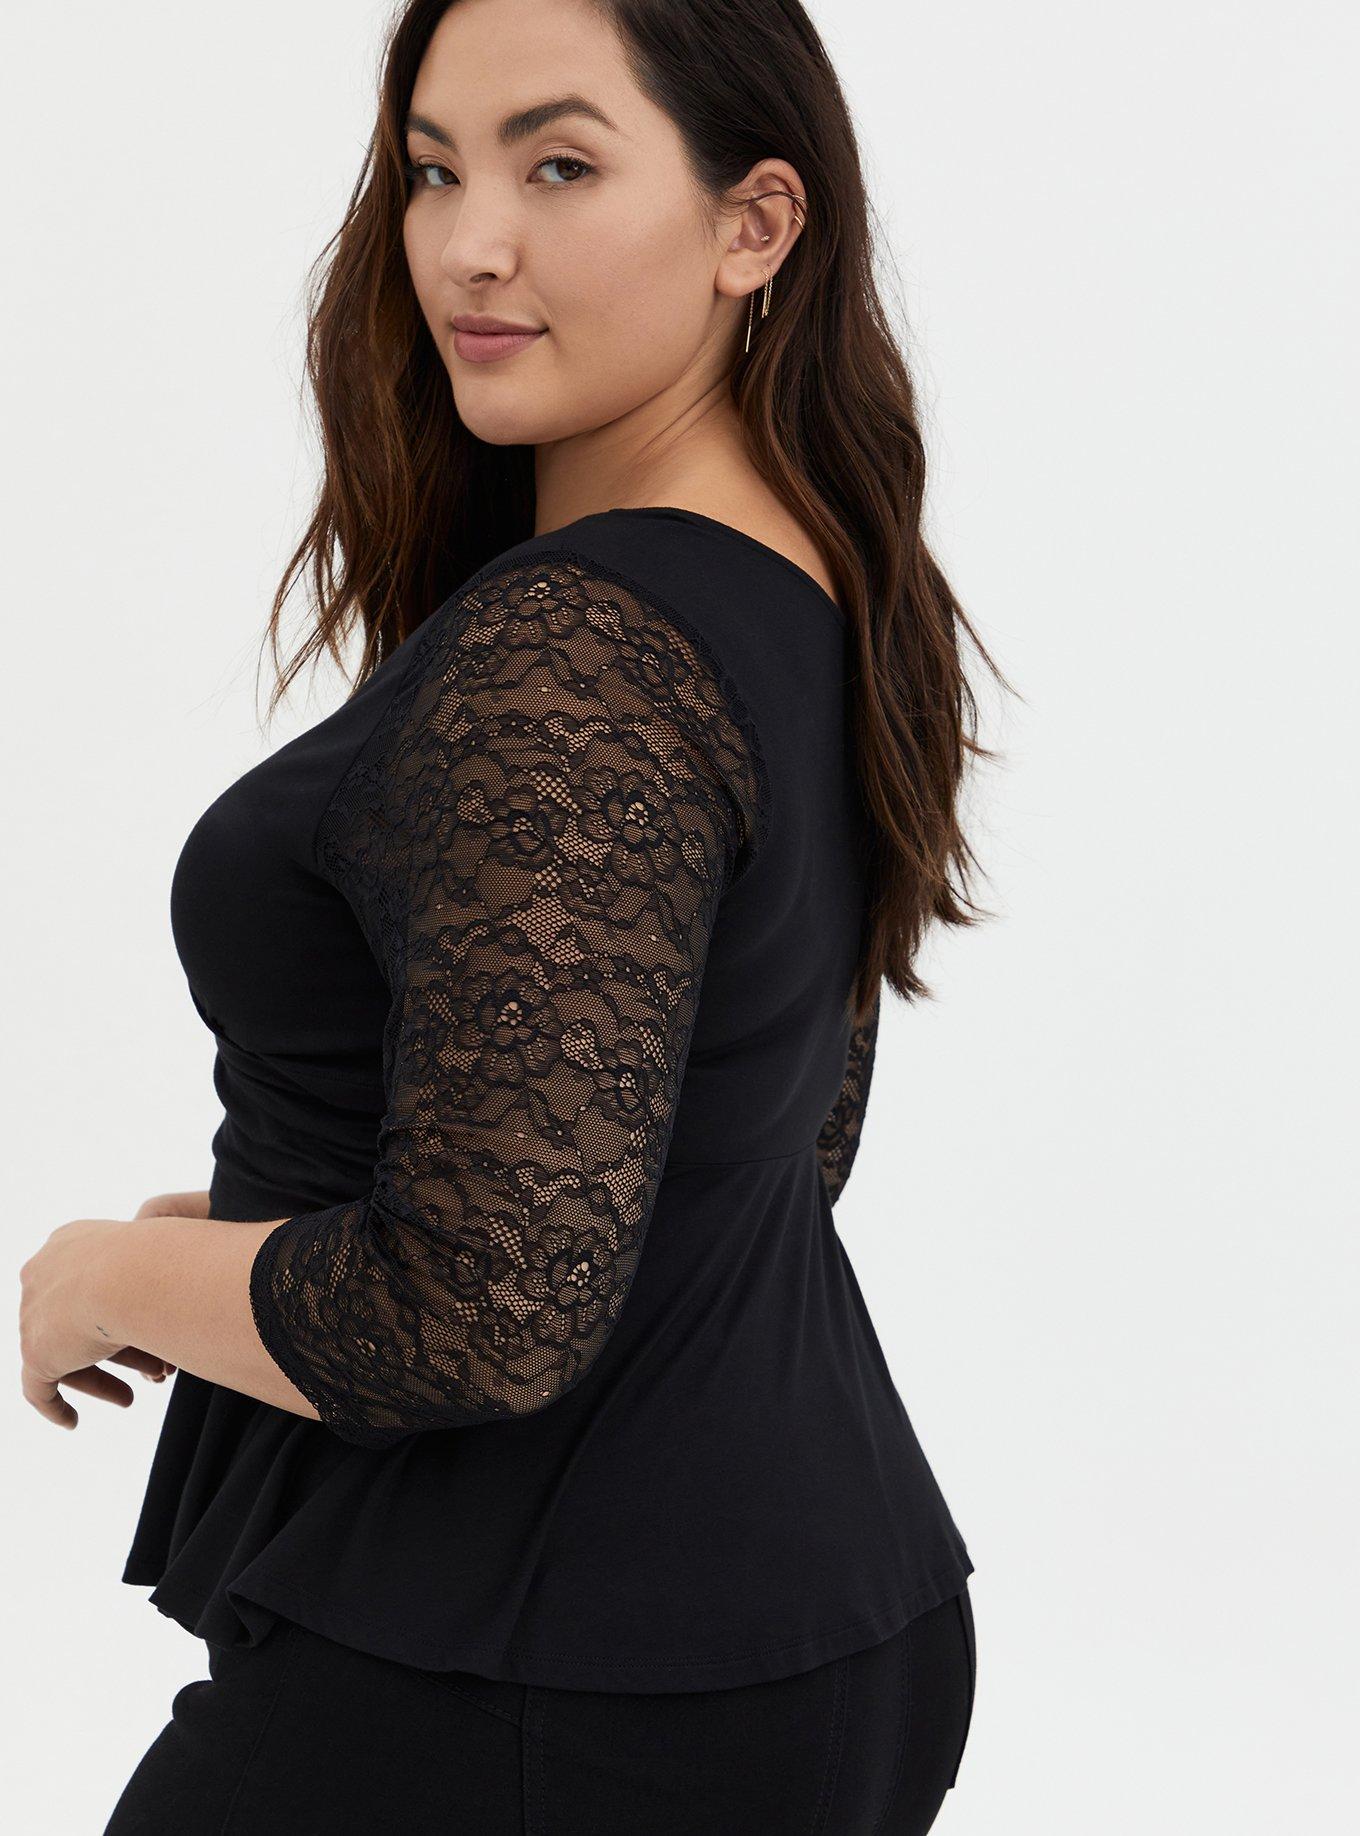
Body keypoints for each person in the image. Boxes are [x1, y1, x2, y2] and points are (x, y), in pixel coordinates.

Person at [19, 2, 1008, 1829]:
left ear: (754, 224)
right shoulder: (816, 593)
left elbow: (484, 1306)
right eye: (432, 170)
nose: (470, 244)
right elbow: (750, 1145)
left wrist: (103, 1275)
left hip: (538, 1683)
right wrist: (267, 1225)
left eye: (559, 165)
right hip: (786, 1634)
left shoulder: (580, 650)